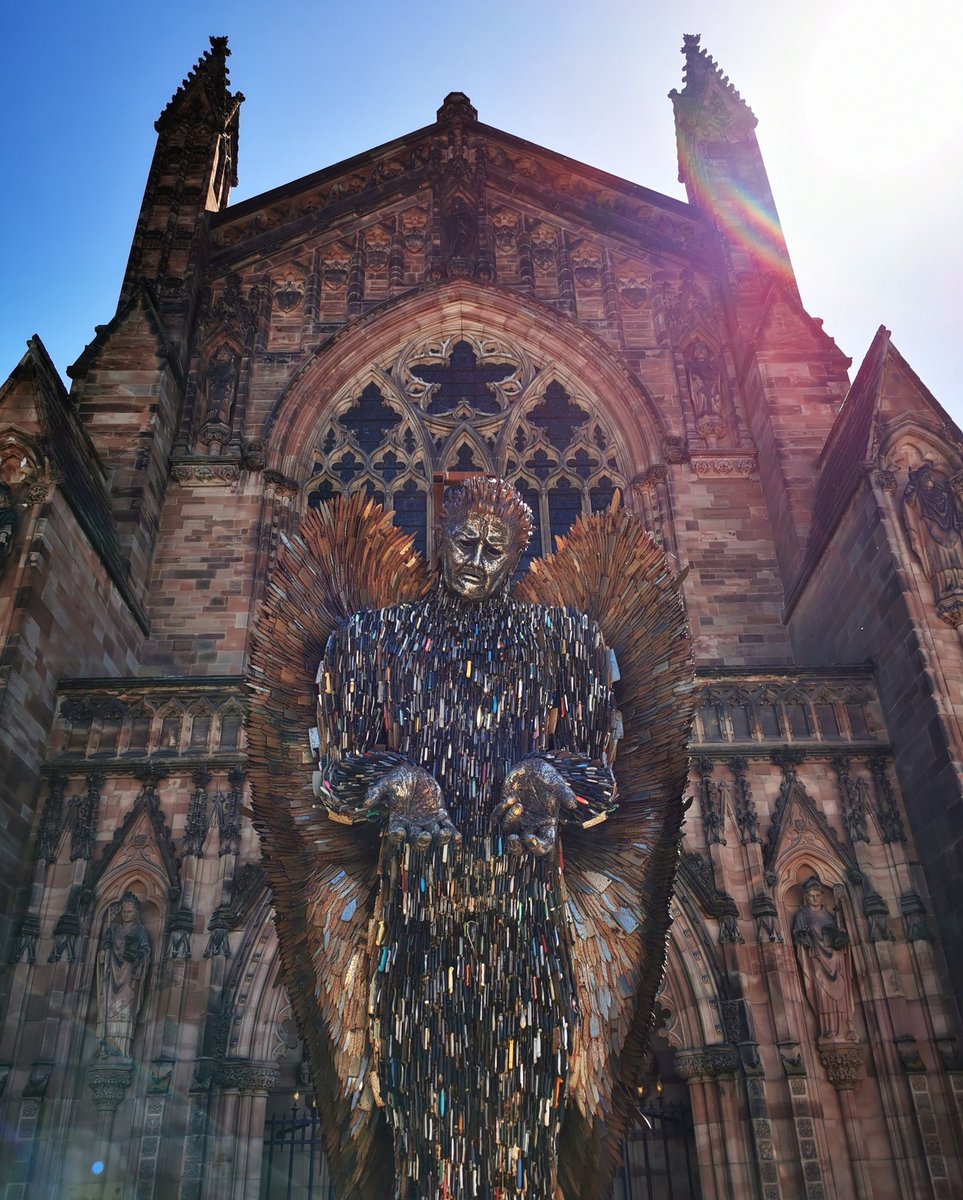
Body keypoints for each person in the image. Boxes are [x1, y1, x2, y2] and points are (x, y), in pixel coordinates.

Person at [317, 477, 617, 1200]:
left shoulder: (564, 641)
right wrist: (398, 785)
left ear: (518, 557)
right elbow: (331, 773)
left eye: (495, 550)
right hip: (418, 911)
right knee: (422, 1115)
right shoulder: (369, 640)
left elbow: (600, 777)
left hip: (525, 910)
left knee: (528, 1113)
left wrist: (546, 776)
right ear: (436, 537)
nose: (477, 562)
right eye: (463, 542)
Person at [791, 875, 857, 1044]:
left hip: (834, 959)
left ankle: (845, 1028)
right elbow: (799, 935)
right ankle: (828, 1029)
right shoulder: (802, 914)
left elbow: (838, 935)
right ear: (806, 896)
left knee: (840, 993)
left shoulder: (829, 915)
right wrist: (803, 937)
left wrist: (840, 937)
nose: (814, 899)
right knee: (823, 995)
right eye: (811, 896)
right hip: (816, 958)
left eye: (817, 895)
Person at [96, 891, 152, 1058]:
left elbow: (145, 952)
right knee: (107, 1008)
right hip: (111, 975)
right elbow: (106, 949)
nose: (126, 914)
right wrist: (104, 953)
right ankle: (104, 1049)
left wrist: (136, 955)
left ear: (137, 912)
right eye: (124, 911)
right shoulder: (113, 931)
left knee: (124, 1010)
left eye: (130, 911)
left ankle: (121, 1050)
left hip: (129, 978)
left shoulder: (140, 931)